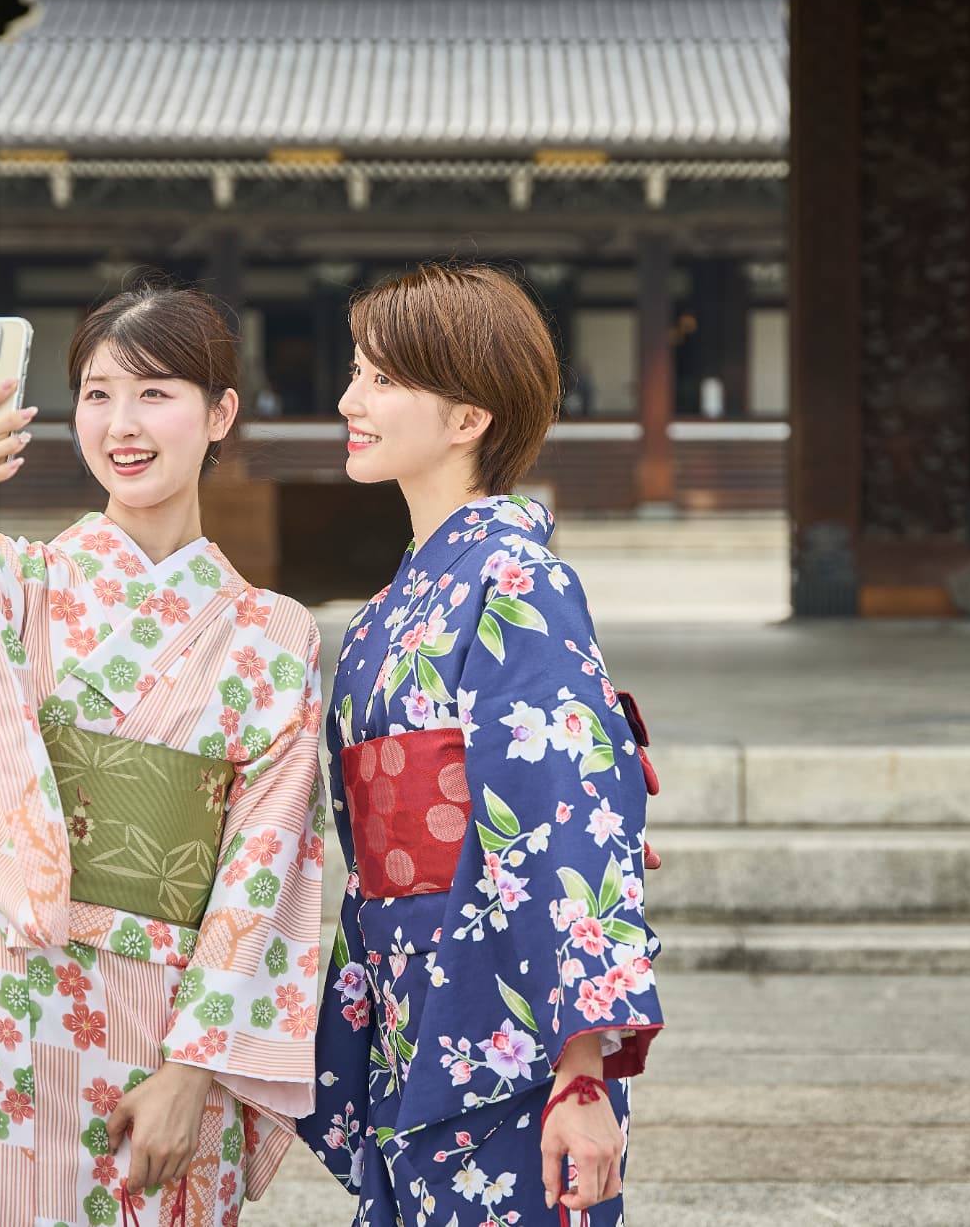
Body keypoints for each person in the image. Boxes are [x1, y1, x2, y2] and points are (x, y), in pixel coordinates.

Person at [0, 278, 328, 1227]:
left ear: (219, 411)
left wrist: (196, 1068)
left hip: (150, 1004)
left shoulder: (273, 635)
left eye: (156, 393)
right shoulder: (20, 578)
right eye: (100, 393)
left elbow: (264, 863)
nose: (124, 422)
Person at [298, 263, 665, 1227]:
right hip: (407, 987)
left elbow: (564, 816)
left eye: (381, 379)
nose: (349, 400)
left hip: (501, 1005)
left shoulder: (519, 578)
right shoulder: (390, 605)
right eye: (356, 372)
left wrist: (582, 1069)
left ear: (468, 418)